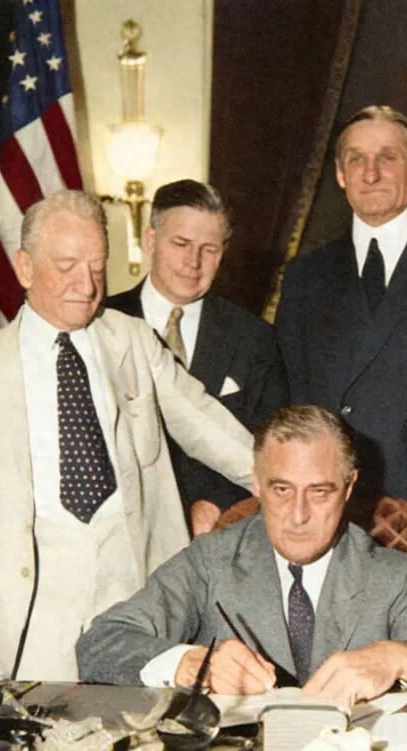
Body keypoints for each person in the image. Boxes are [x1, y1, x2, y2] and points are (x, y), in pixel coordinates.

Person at [0, 190, 255, 683]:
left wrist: (280, 481)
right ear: (25, 267)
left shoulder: (134, 341)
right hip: (25, 615)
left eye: (98, 266)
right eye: (67, 266)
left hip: (134, 600)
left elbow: (206, 423)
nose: (86, 285)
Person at [77, 405, 407, 705]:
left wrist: (398, 658)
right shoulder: (211, 561)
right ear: (256, 483)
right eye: (281, 490)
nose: (298, 516)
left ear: (348, 488)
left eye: (319, 491)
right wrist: (191, 664)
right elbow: (101, 644)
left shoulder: (391, 574)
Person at [275, 105, 407, 511]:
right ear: (340, 174)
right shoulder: (304, 277)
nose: (371, 173)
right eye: (356, 159)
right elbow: (290, 397)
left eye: (387, 157)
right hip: (327, 504)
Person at [105, 179, 286, 533]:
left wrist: (215, 502)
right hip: (122, 529)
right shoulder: (103, 324)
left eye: (209, 249)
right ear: (150, 241)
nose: (193, 262)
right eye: (181, 244)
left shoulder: (254, 339)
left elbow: (270, 442)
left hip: (219, 530)